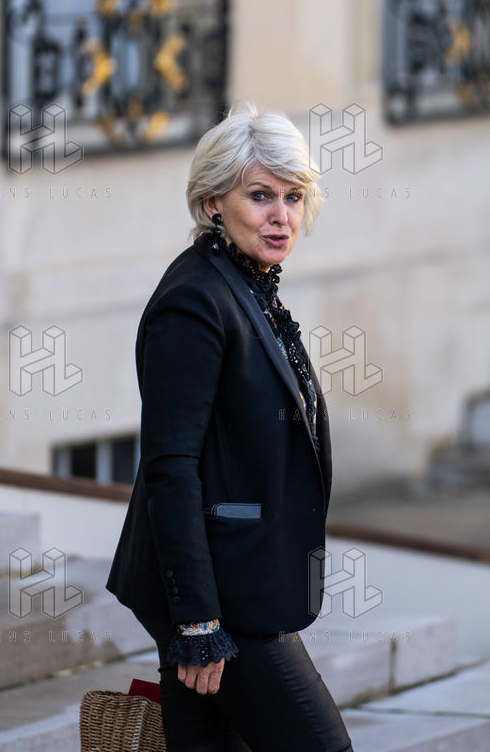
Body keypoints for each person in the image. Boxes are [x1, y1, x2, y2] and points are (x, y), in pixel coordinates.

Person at [105, 100, 353, 751]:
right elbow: (170, 465)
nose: (281, 216)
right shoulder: (196, 301)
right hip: (220, 599)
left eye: (293, 197)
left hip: (244, 583)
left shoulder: (247, 286)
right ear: (214, 202)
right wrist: (197, 622)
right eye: (260, 196)